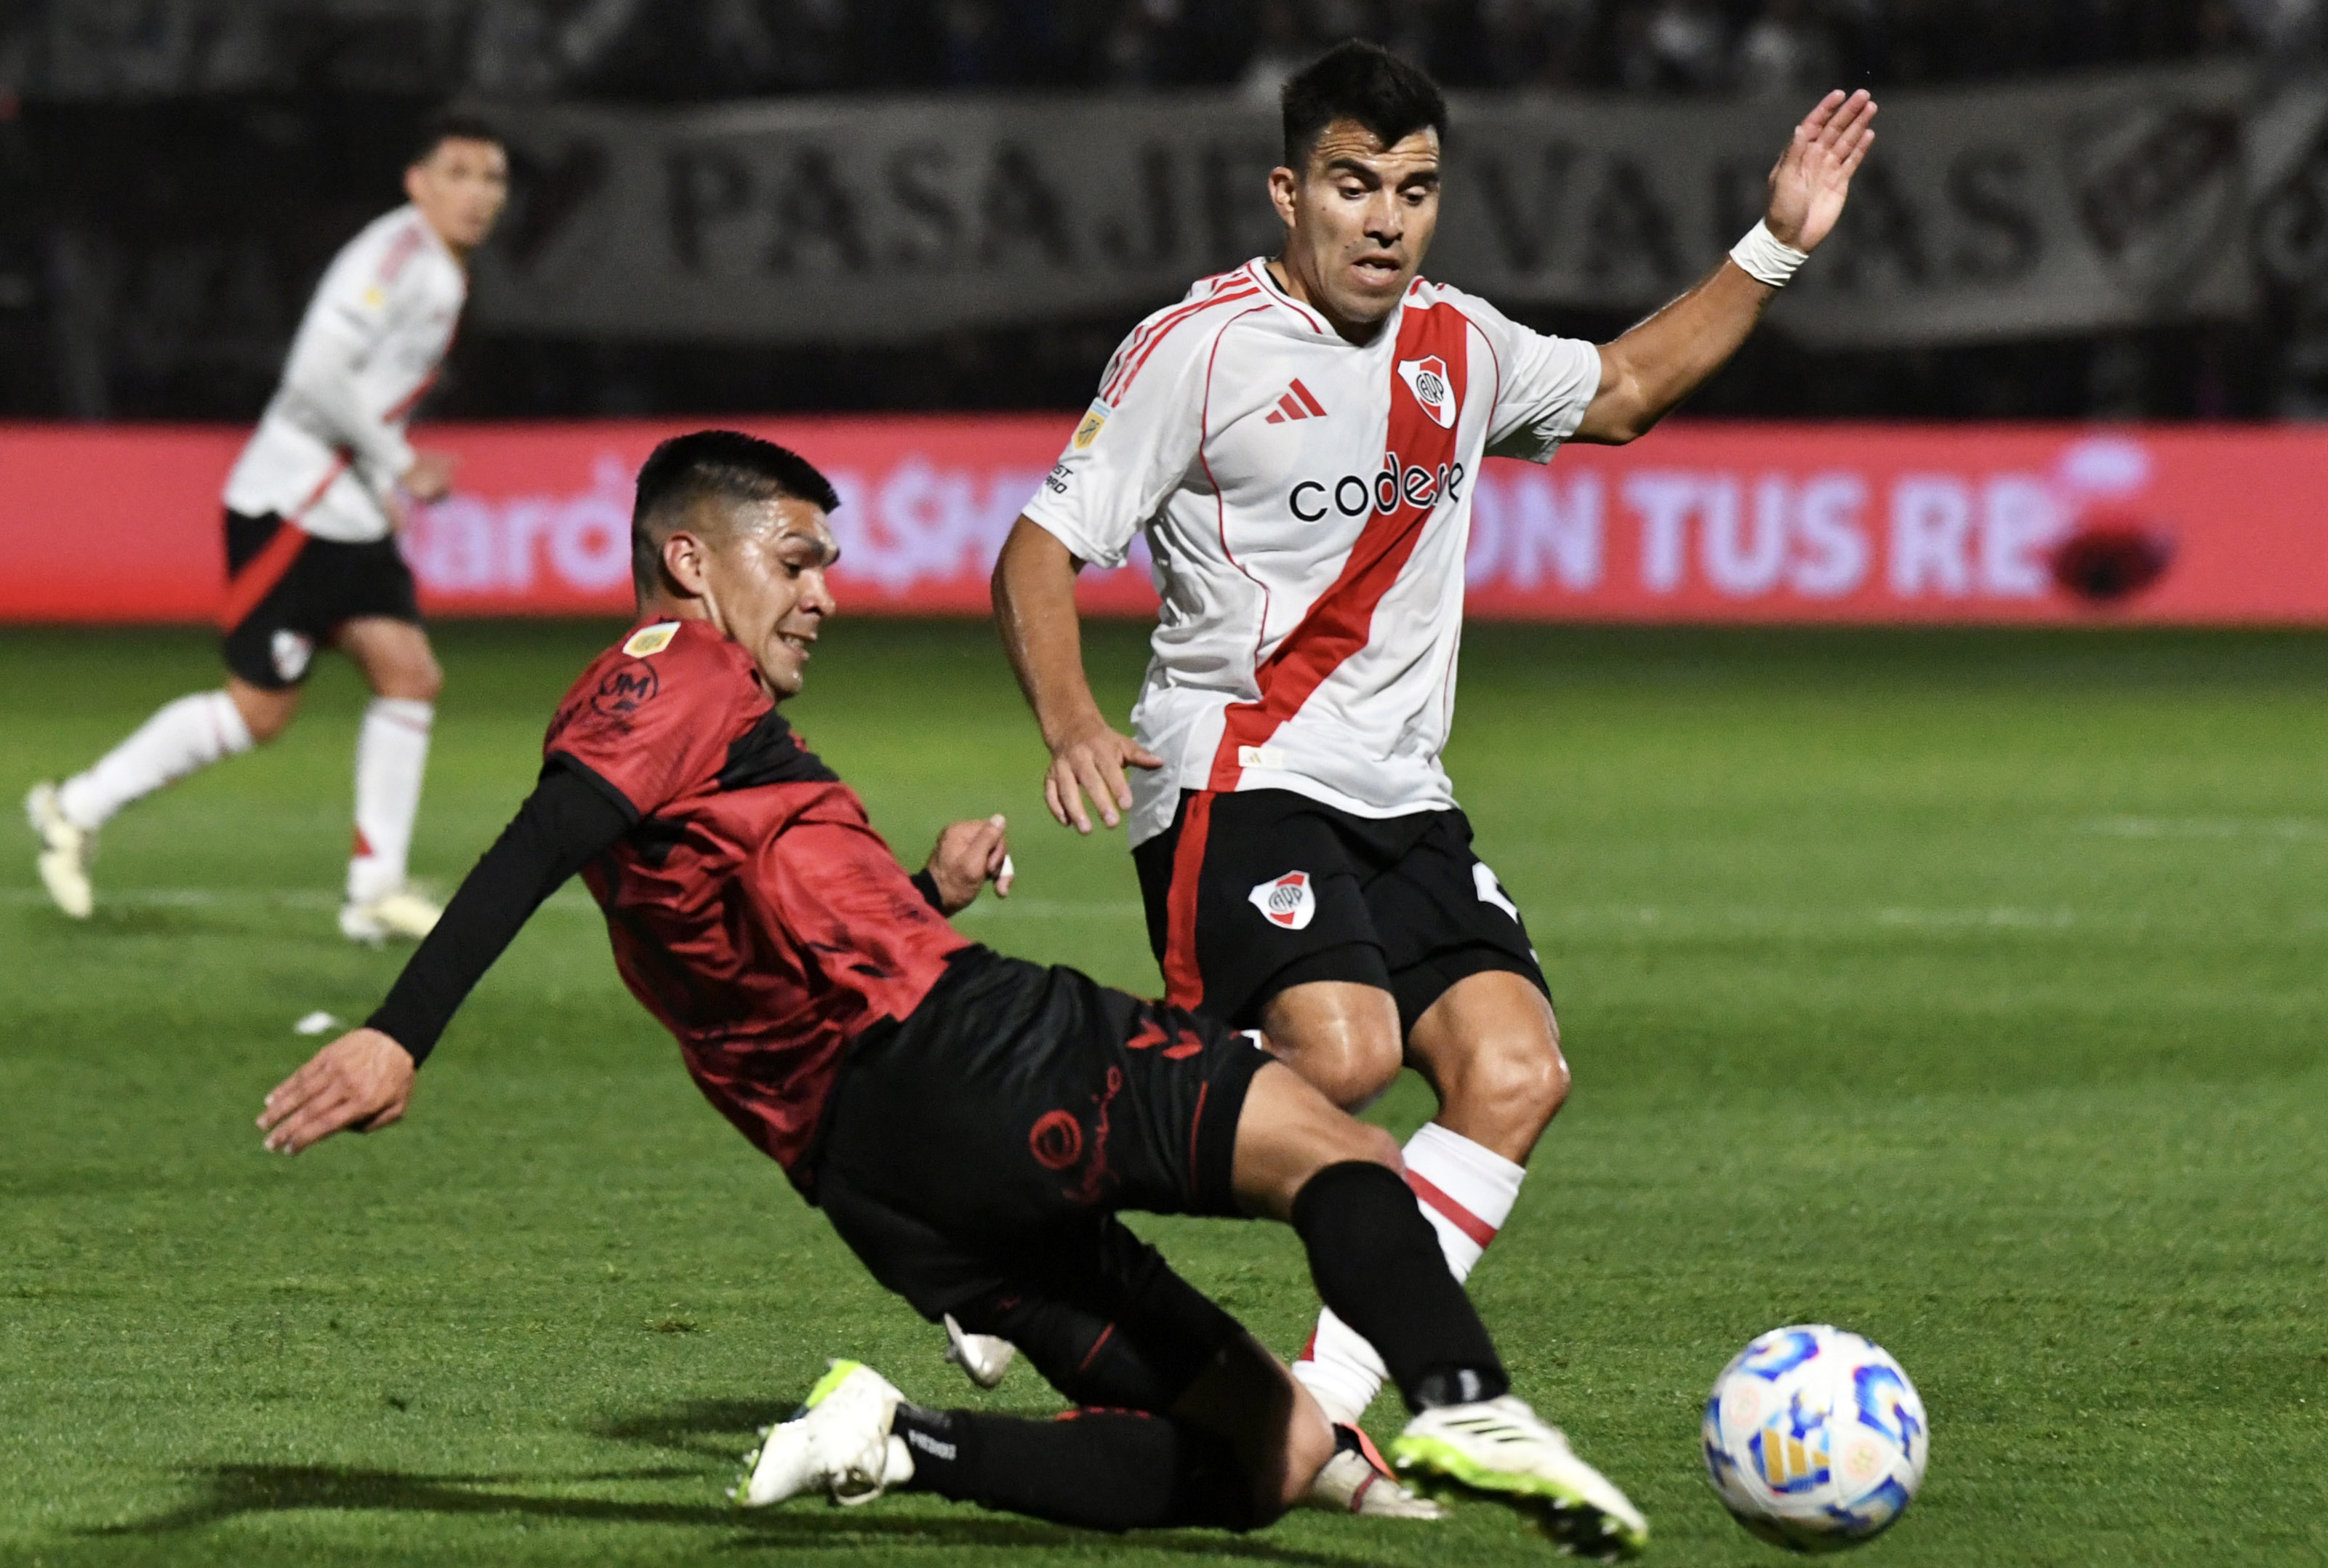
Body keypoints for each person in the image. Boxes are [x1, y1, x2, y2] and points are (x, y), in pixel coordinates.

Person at [254, 431, 1649, 1555]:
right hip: (965, 1047)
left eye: (830, 563)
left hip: (876, 1181)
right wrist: (397, 1030)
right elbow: (547, 834)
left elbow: (745, 955)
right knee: (1342, 1149)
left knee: (1269, 1452)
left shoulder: (704, 740)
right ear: (688, 557)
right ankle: (1470, 1402)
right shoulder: (673, 666)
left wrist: (914, 896)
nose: (825, 593)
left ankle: (905, 1440)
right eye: (794, 559)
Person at [990, 38, 1875, 1500]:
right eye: (1353, 187)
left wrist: (1775, 241)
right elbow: (1038, 546)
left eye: (1413, 189)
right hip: (1235, 771)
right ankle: (1034, 1184)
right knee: (1341, 1057)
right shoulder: (1193, 349)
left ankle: (1317, 1401)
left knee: (1515, 1070)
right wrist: (1074, 720)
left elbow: (1628, 386)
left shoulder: (1457, 346)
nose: (1386, 220)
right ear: (1289, 192)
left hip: (1401, 795)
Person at [25, 111, 510, 943]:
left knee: (408, 676)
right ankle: (74, 807)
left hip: (344, 505)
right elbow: (317, 372)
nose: (478, 194)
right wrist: (398, 464)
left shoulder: (438, 265)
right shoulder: (395, 259)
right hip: (294, 505)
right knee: (259, 711)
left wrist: (379, 478)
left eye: (492, 178)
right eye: (458, 174)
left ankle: (374, 890)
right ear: (417, 182)